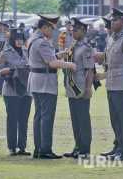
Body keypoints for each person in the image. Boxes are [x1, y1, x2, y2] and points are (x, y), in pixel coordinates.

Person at [28, 14, 76, 159]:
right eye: (51, 28)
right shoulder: (42, 42)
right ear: (44, 28)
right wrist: (70, 64)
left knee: (39, 116)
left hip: (37, 81)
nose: (53, 32)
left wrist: (59, 54)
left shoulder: (34, 39)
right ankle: (45, 150)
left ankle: (39, 149)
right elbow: (52, 63)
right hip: (45, 82)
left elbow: (48, 57)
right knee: (46, 117)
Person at [96, 8, 123, 161]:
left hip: (122, 84)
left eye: (116, 20)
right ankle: (119, 146)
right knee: (115, 118)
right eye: (112, 20)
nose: (112, 22)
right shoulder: (112, 39)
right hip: (112, 83)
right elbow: (108, 62)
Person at [62, 18, 94, 159]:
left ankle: (85, 149)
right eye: (73, 30)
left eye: (76, 30)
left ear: (84, 31)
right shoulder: (72, 46)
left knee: (83, 119)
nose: (73, 32)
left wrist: (88, 88)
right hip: (71, 87)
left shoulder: (86, 48)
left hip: (81, 87)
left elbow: (90, 70)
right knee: (75, 119)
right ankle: (77, 146)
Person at [0, 28, 32, 156]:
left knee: (24, 120)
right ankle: (12, 147)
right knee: (12, 119)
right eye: (17, 39)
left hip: (26, 90)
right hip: (11, 89)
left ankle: (22, 147)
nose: (19, 41)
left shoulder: (27, 51)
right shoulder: (5, 53)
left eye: (21, 39)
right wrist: (10, 70)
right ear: (12, 39)